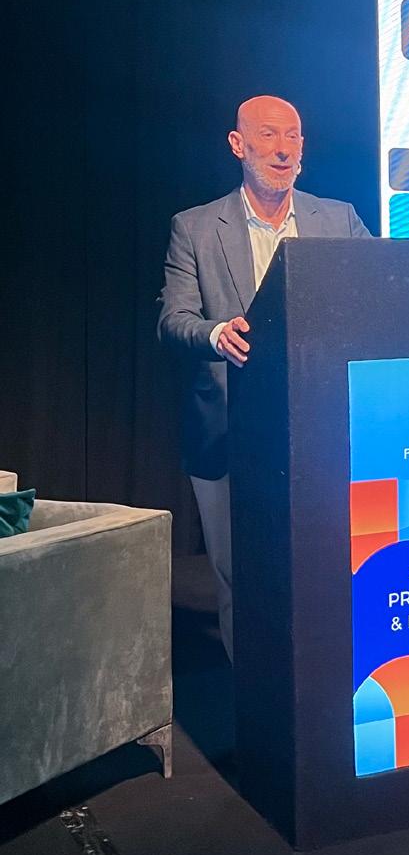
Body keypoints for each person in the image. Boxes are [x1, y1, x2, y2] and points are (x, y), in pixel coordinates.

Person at [158, 95, 371, 661]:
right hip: (227, 432)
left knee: (323, 572)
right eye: (270, 135)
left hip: (322, 429)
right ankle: (250, 697)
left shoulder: (339, 220)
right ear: (238, 145)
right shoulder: (195, 227)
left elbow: (381, 290)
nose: (283, 150)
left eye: (293, 136)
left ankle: (322, 689)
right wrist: (215, 334)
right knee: (239, 578)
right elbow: (173, 319)